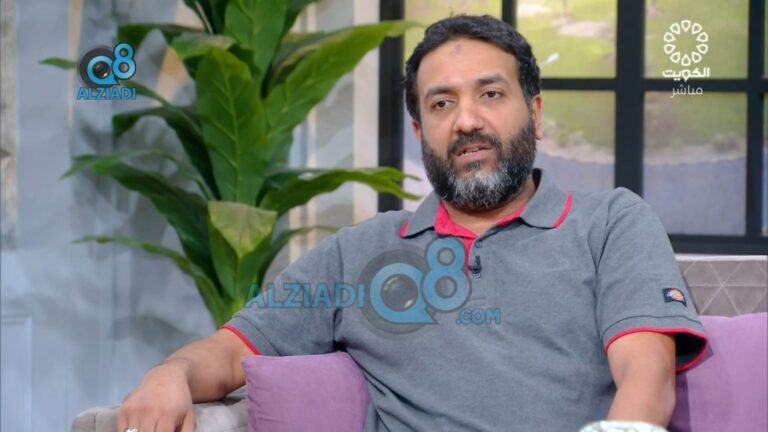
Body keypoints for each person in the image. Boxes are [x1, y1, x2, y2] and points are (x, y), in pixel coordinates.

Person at [117, 15, 707, 432]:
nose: (466, 120)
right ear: (422, 133)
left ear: (534, 111)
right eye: (441, 104)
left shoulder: (610, 223)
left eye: (490, 94)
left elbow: (647, 374)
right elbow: (231, 350)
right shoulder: (359, 254)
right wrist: (172, 372)